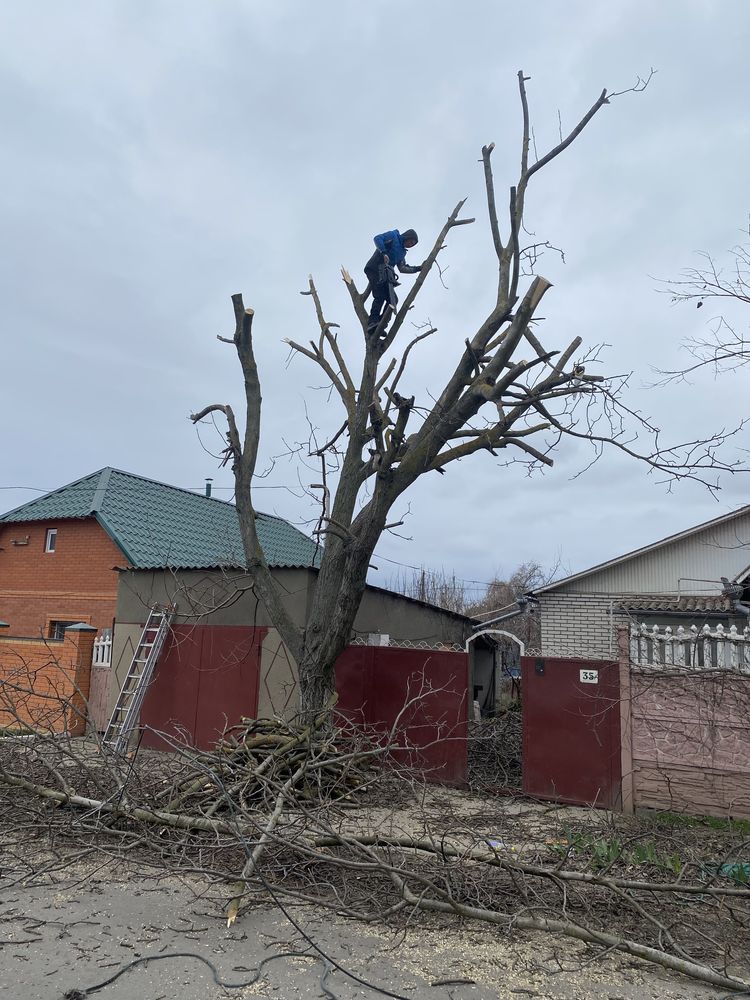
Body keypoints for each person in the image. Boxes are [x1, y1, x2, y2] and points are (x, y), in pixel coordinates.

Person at [364, 228, 422, 332]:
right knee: (380, 295)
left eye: (413, 244)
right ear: (407, 237)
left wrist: (418, 268)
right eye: (410, 241)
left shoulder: (402, 253)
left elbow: (402, 268)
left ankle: (381, 324)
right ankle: (372, 321)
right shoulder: (393, 236)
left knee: (393, 300)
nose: (410, 245)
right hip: (375, 268)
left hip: (386, 275)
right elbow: (378, 238)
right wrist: (383, 252)